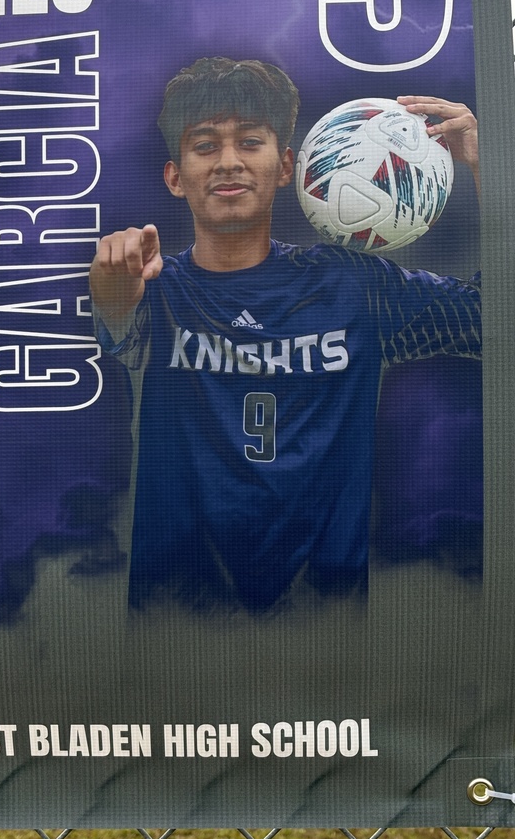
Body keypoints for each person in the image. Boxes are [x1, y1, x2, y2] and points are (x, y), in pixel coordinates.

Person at [89, 57, 481, 612]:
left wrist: (485, 162)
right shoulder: (156, 291)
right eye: (204, 146)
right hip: (175, 637)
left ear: (286, 166)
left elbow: (495, 320)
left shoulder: (355, 286)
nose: (228, 162)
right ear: (175, 176)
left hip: (325, 634)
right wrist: (110, 273)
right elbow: (117, 311)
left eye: (250, 142)